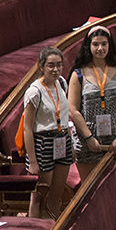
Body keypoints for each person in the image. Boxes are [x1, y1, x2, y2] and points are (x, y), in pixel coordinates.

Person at [68, 27, 116, 183]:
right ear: (89, 46)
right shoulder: (78, 73)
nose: (100, 48)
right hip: (89, 143)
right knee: (90, 191)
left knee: (115, 187)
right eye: (96, 44)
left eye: (104, 44)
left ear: (110, 45)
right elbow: (73, 110)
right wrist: (89, 137)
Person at [21, 48, 76, 219]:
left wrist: (71, 144)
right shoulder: (34, 91)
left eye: (59, 65)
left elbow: (65, 117)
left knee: (56, 194)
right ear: (42, 67)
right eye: (51, 65)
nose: (55, 69)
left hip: (62, 140)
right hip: (42, 143)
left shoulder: (61, 83)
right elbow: (27, 128)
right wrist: (33, 161)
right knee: (39, 196)